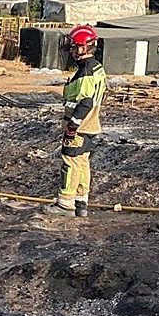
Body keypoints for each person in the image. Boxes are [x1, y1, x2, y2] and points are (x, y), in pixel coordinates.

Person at [42, 24, 107, 218]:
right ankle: (81, 202)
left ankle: (65, 204)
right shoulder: (96, 67)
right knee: (82, 162)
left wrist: (73, 126)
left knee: (70, 161)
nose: (71, 51)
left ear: (83, 47)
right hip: (92, 124)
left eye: (74, 46)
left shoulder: (85, 71)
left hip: (80, 126)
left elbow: (85, 101)